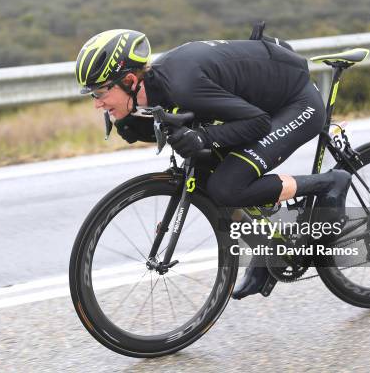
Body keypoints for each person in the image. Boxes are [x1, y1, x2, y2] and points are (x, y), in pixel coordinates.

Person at [75, 29, 351, 299]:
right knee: (208, 178)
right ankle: (268, 248)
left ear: (131, 80)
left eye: (100, 92)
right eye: (92, 95)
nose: (97, 103)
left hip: (295, 104)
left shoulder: (183, 85)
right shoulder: (151, 89)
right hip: (261, 104)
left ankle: (330, 183)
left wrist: (202, 137)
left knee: (227, 187)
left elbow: (257, 123)